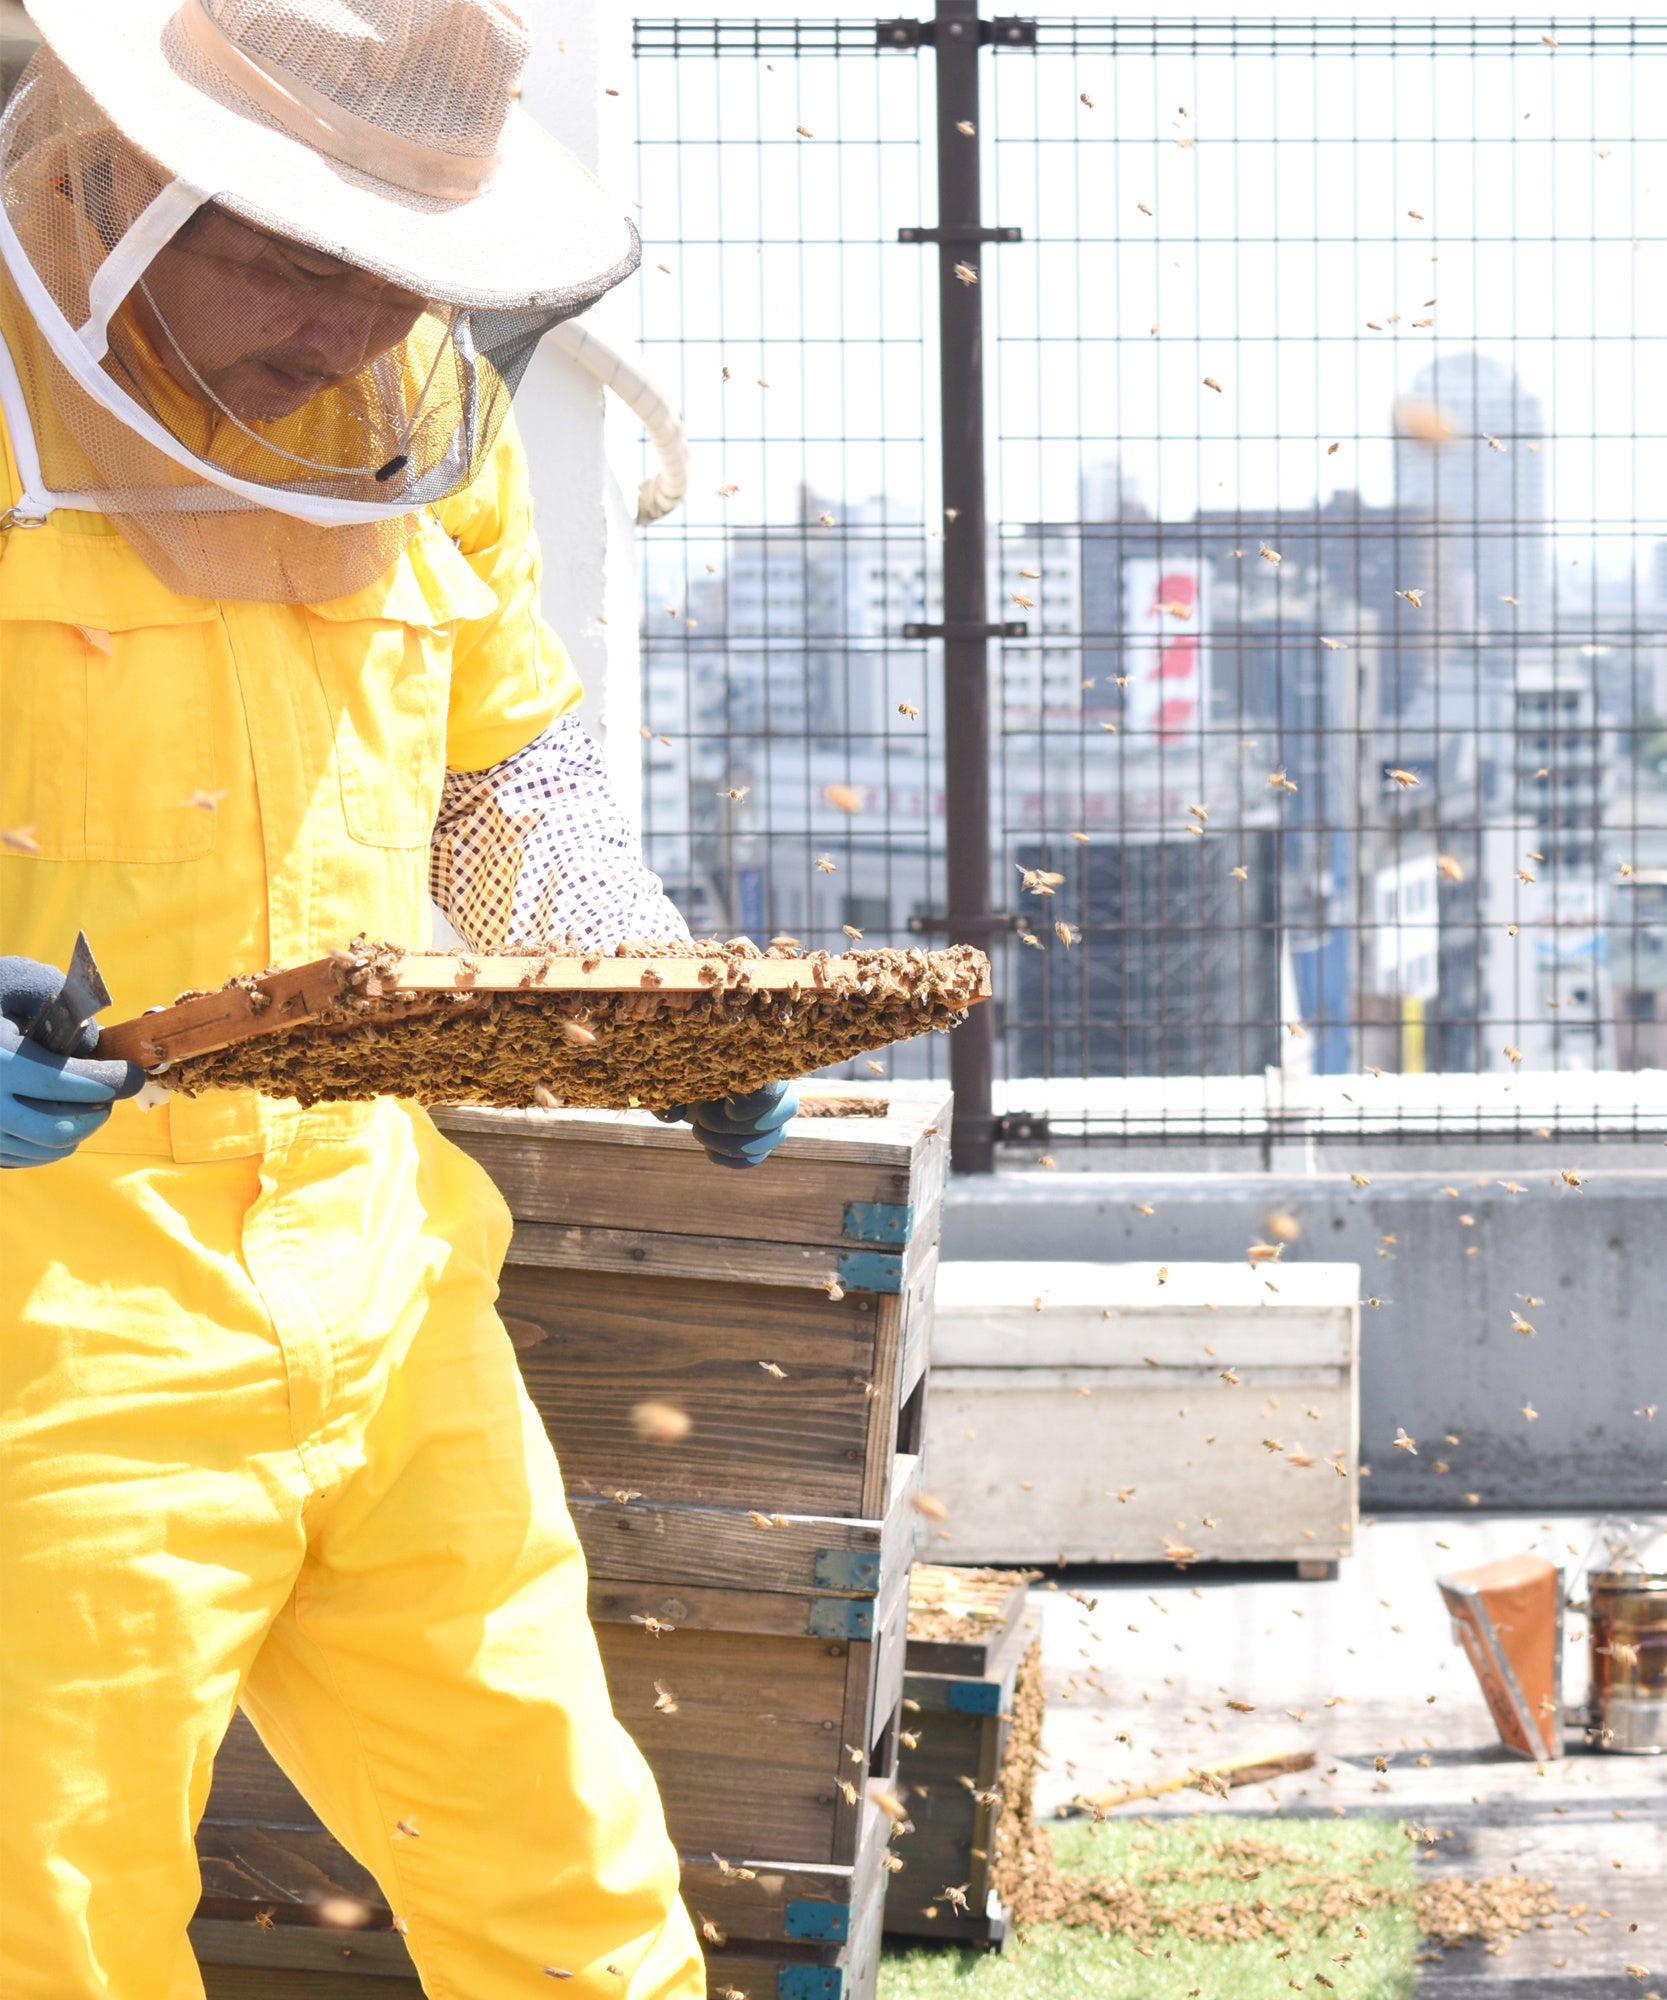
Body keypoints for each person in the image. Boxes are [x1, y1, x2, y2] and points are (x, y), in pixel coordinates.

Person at [0, 3, 795, 1993]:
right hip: (40, 1345)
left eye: (400, 269)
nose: (355, 329)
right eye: (293, 252)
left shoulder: (423, 427)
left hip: (387, 1287)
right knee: (54, 1935)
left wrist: (647, 990)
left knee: (578, 1900)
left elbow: (504, 783)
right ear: (116, 175)